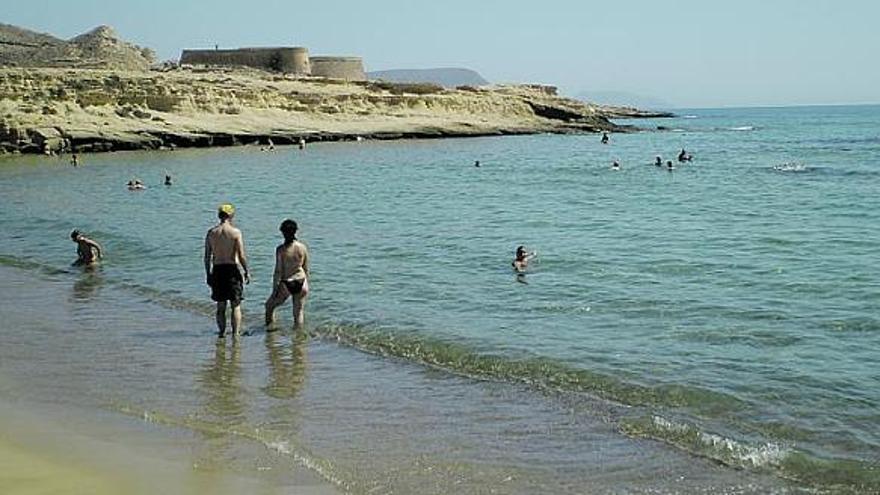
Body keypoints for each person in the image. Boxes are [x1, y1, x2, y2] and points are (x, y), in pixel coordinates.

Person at [205, 203, 251, 338]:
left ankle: (222, 332)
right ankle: (236, 334)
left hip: (218, 269)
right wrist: (247, 271)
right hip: (232, 269)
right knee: (235, 305)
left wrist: (208, 274)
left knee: (221, 305)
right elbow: (241, 255)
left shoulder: (211, 233)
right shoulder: (235, 232)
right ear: (231, 215)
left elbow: (207, 256)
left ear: (219, 215)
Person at [265, 219, 310, 328]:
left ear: (283, 232)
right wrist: (307, 282)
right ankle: (298, 339)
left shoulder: (281, 249)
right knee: (298, 313)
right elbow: (306, 268)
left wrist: (274, 290)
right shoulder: (302, 247)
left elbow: (278, 271)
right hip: (301, 281)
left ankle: (270, 331)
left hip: (287, 282)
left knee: (269, 306)